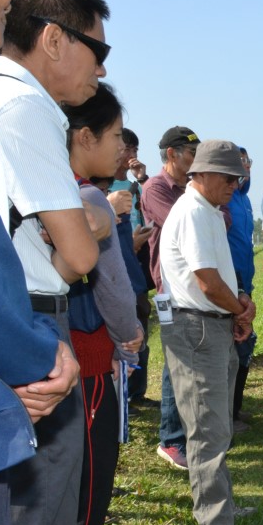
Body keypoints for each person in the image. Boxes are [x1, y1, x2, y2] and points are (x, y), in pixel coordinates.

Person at [0, 0, 111, 525]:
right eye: (99, 49)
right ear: (54, 39)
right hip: (30, 325)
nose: (100, 69)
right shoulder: (24, 101)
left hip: (1, 319)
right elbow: (81, 255)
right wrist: (97, 225)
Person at [62, 82, 143, 525]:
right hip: (87, 366)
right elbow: (112, 287)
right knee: (88, 502)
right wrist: (131, 335)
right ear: (84, 136)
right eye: (115, 136)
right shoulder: (88, 200)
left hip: (51, 357)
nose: (122, 149)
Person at [159, 139, 256, 525]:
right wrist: (239, 309)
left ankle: (221, 507)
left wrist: (240, 303)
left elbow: (219, 276)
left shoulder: (209, 211)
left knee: (217, 425)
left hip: (211, 324)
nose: (235, 184)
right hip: (198, 327)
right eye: (230, 177)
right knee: (207, 430)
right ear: (202, 173)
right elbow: (206, 283)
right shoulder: (195, 212)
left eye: (238, 178)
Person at [141, 125, 199, 471]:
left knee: (188, 360)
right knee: (174, 362)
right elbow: (186, 227)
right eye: (191, 154)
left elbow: (218, 219)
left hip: (192, 286)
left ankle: (185, 432)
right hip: (169, 289)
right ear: (172, 154)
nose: (195, 162)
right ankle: (170, 439)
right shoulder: (156, 188)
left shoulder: (188, 189)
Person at [107, 127, 153, 409]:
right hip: (116, 264)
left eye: (135, 150)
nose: (131, 155)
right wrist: (130, 244)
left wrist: (142, 179)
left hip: (136, 267)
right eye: (126, 149)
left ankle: (137, 394)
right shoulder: (102, 188)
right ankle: (120, 395)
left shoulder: (137, 185)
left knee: (141, 324)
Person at [227, 145, 256, 434]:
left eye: (249, 162)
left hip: (244, 284)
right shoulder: (224, 199)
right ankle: (228, 415)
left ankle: (235, 409)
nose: (247, 167)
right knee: (234, 349)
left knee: (243, 346)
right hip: (228, 286)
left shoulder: (244, 199)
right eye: (241, 162)